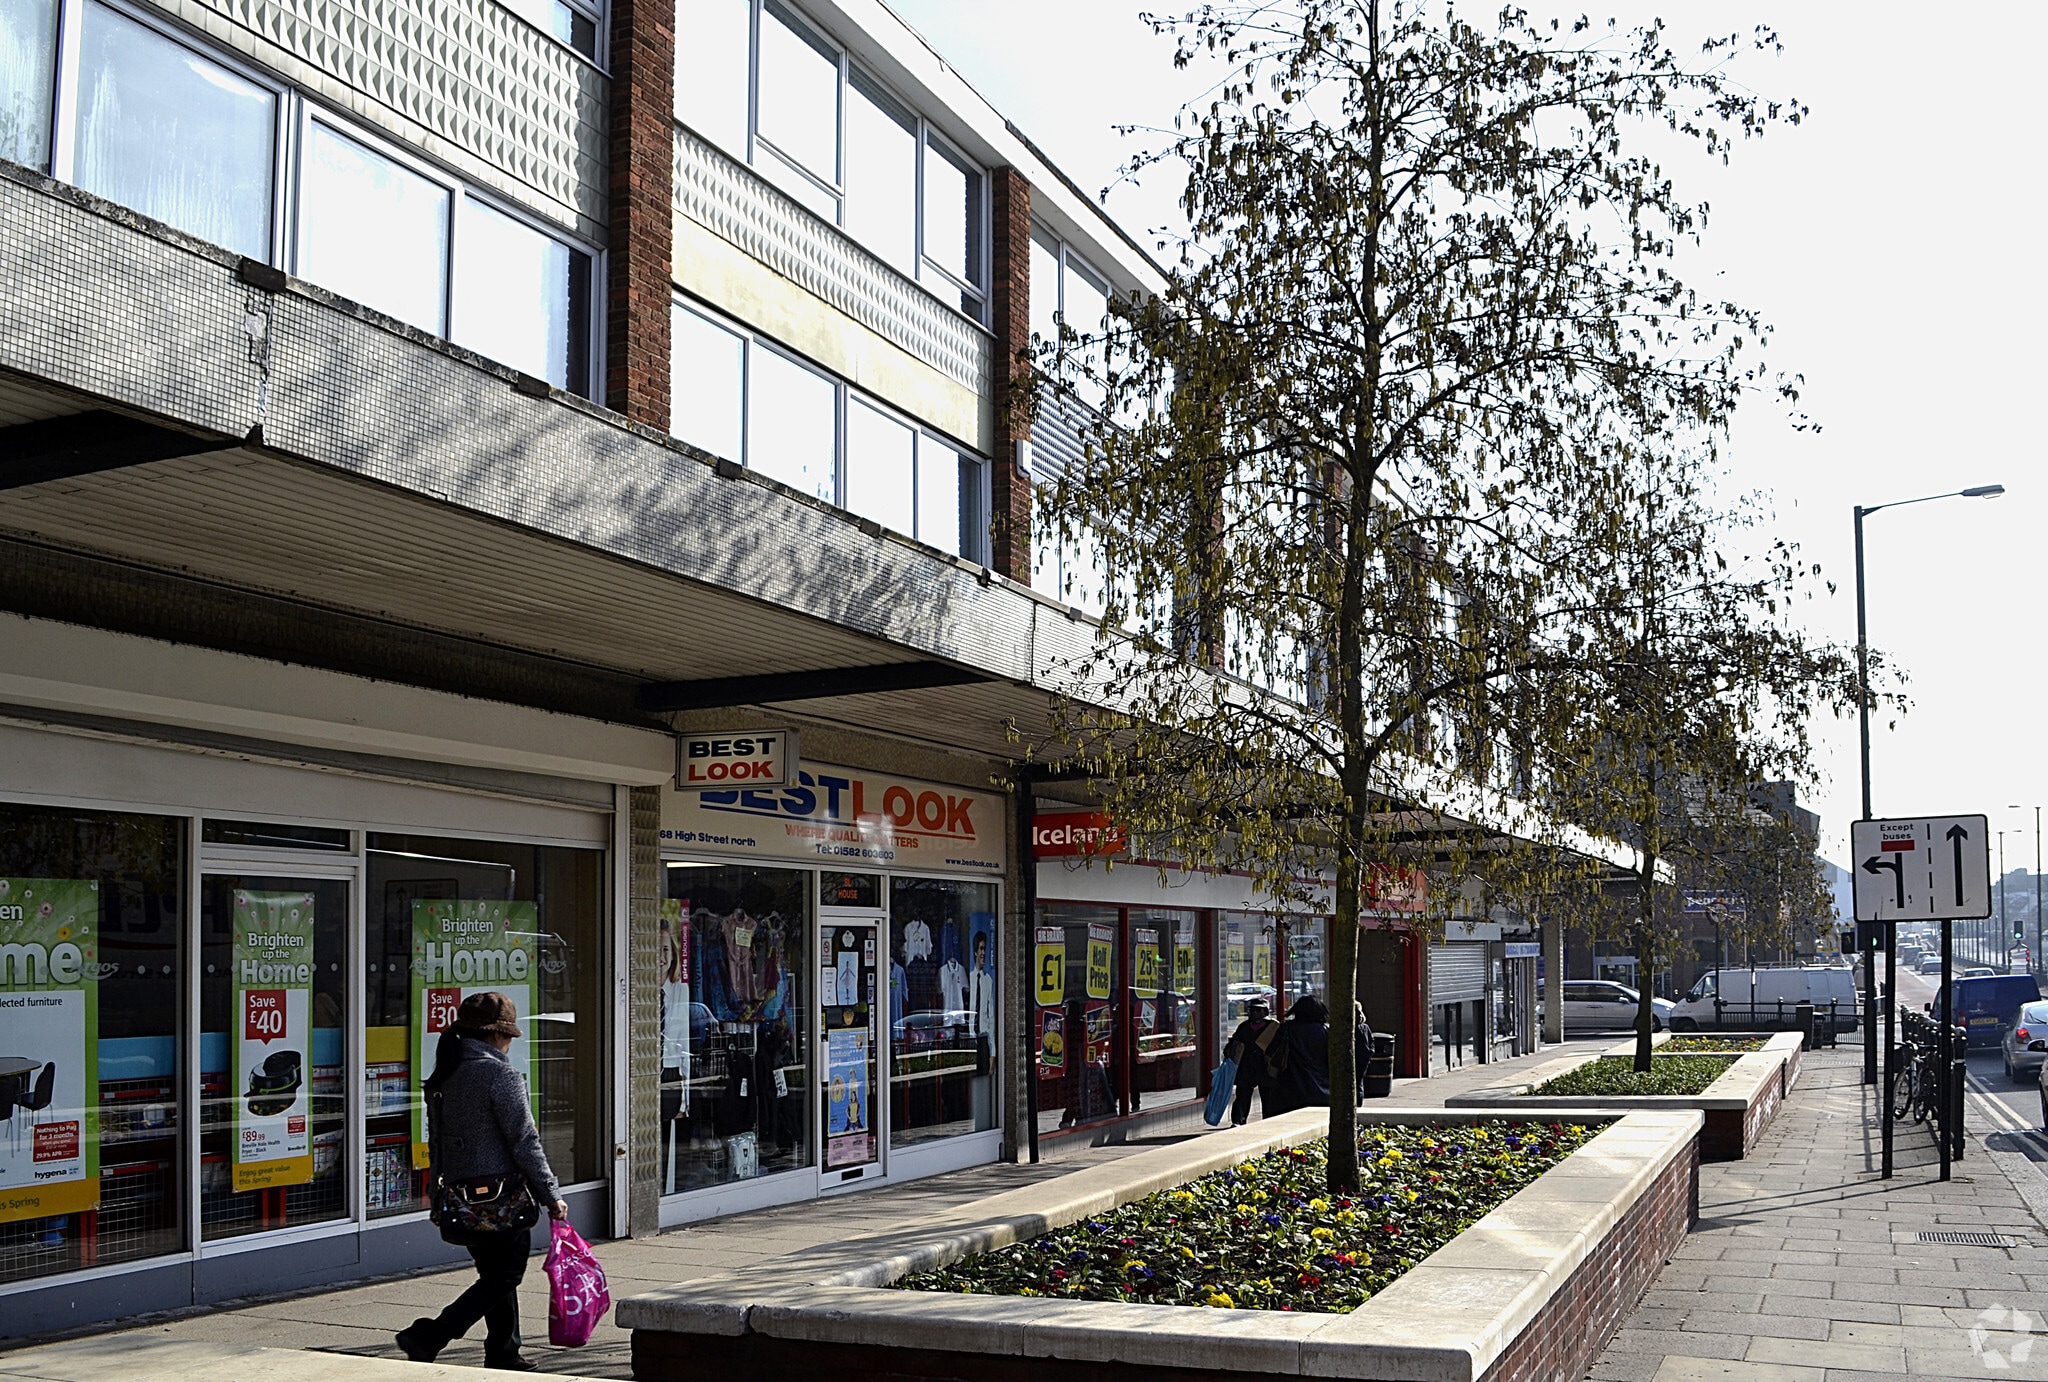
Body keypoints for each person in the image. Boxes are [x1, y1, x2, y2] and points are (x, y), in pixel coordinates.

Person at [397, 992, 567, 1372]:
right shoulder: (499, 1074)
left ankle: (504, 1352)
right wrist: (550, 1193)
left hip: (461, 1197)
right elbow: (525, 1140)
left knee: (495, 1277)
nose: (509, 1045)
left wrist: (436, 1194)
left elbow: (437, 1140)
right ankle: (431, 1334)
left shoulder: (445, 1073)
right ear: (495, 1036)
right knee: (506, 1275)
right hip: (502, 1196)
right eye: (509, 1037)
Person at [1222, 997, 1278, 1125]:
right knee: (1242, 1096)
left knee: (1268, 1097)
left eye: (1259, 1011)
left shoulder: (1273, 1027)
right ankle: (1238, 1121)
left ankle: (1269, 1121)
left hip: (1265, 1067)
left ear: (1265, 1012)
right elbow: (1234, 1043)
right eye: (1252, 1010)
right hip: (1246, 1066)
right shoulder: (1244, 1027)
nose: (1255, 1014)